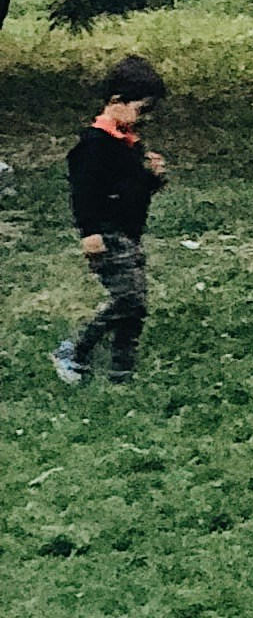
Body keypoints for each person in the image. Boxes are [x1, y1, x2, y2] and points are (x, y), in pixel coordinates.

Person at [54, 56, 168, 390]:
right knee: (128, 299)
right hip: (107, 233)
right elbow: (84, 192)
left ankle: (122, 373)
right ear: (116, 102)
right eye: (141, 109)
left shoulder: (127, 142)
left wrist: (153, 177)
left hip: (129, 233)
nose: (144, 119)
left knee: (135, 307)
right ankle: (74, 349)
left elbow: (132, 187)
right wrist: (89, 232)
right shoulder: (94, 144)